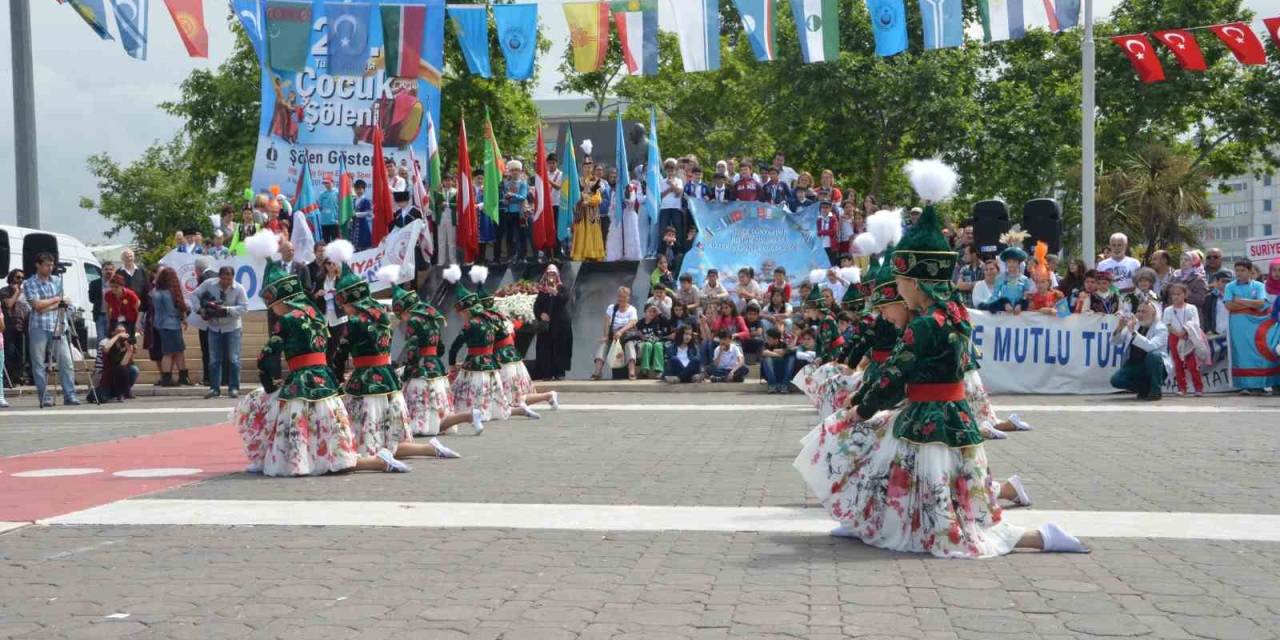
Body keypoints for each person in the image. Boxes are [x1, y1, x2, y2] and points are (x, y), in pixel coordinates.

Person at [796, 174, 1085, 558]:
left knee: (936, 505)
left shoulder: (923, 326)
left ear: (916, 283)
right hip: (951, 416)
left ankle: (1037, 537)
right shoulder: (952, 316)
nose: (898, 290)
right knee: (932, 484)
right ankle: (868, 521)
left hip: (927, 419)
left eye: (900, 282)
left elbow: (896, 376)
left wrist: (861, 408)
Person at [235, 231, 410, 476]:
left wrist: (268, 385)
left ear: (276, 299)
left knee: (288, 426)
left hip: (300, 384)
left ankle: (298, 462)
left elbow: (265, 356)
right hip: (325, 381)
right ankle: (374, 460)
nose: (272, 309)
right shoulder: (316, 315)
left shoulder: (286, 320)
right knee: (329, 434)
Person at [443, 265, 505, 420]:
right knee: (490, 392)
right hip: (490, 362)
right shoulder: (490, 319)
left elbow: (455, 347)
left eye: (462, 314)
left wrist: (451, 364)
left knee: (468, 393)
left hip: (474, 364)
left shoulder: (470, 325)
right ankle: (488, 411)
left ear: (466, 311)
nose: (462, 317)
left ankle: (473, 413)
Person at [22, 254, 80, 406]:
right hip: (38, 327)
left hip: (58, 326)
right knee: (39, 364)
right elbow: (37, 306)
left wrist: (52, 304)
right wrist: (56, 300)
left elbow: (65, 302)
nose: (50, 268)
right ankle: (44, 397)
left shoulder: (57, 281)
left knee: (66, 362)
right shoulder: (29, 283)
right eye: (47, 265)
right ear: (38, 265)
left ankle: (70, 395)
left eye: (51, 265)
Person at [194, 266, 248, 399]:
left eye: (229, 278)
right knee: (214, 360)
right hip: (214, 327)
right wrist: (200, 309)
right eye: (223, 278)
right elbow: (194, 294)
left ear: (233, 277)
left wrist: (226, 310)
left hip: (232, 327)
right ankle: (214, 388)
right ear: (219, 276)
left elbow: (244, 308)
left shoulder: (239, 289)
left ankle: (234, 388)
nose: (226, 281)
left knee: (234, 359)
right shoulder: (209, 284)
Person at [1224, 259, 1275, 394]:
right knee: (1240, 353)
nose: (1239, 273)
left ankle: (1259, 384)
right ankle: (1243, 385)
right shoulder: (1230, 286)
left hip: (1255, 324)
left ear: (1250, 271)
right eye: (1237, 270)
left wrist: (1239, 300)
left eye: (1243, 270)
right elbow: (1229, 305)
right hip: (1238, 324)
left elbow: (1260, 303)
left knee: (1257, 353)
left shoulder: (1258, 285)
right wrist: (1251, 304)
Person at [1110, 300, 1170, 401]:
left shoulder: (1161, 328)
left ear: (1153, 314)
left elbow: (1151, 346)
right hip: (1135, 365)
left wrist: (1133, 332)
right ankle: (1144, 389)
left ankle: (1156, 391)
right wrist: (1119, 328)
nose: (1140, 314)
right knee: (1116, 380)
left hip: (1155, 367)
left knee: (1153, 355)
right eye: (1138, 311)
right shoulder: (1135, 325)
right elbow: (1114, 342)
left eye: (1144, 312)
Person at [150, 266, 191, 388]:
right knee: (175, 352)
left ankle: (169, 377)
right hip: (172, 324)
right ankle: (178, 377)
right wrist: (183, 317)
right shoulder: (171, 293)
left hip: (161, 324)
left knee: (171, 352)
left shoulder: (156, 292)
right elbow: (176, 309)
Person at [1163, 283, 1206, 397]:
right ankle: (1182, 388)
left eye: (1178, 294)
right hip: (1174, 338)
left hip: (1189, 337)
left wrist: (1185, 332)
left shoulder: (1191, 308)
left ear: (1185, 295)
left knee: (1192, 364)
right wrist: (1178, 333)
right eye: (1173, 294)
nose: (1175, 297)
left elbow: (1195, 323)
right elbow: (1167, 324)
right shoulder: (1168, 310)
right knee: (1178, 363)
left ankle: (1198, 388)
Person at [314, 250, 350, 383]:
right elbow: (313, 296)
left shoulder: (341, 279)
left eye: (333, 263)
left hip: (338, 317)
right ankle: (330, 376)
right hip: (325, 317)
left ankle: (336, 376)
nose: (330, 266)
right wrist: (318, 294)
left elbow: (348, 297)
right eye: (328, 263)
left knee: (335, 347)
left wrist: (338, 294)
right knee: (327, 348)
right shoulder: (320, 279)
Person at [533, 265, 573, 381]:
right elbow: (537, 306)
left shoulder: (561, 288)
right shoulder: (542, 290)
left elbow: (565, 300)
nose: (551, 277)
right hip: (547, 326)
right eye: (549, 274)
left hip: (560, 324)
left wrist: (556, 293)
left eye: (553, 274)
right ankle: (546, 373)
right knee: (545, 348)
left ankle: (559, 372)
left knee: (560, 348)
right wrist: (541, 314)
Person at [592, 286, 639, 380]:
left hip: (626, 336)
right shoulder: (611, 308)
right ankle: (597, 372)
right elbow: (606, 322)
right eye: (620, 296)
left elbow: (632, 322)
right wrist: (605, 335)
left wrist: (621, 331)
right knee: (603, 346)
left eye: (624, 297)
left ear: (628, 298)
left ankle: (632, 372)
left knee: (630, 346)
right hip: (613, 336)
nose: (621, 299)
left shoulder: (632, 309)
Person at [606, 164, 643, 261]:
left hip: (629, 215)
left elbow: (632, 202)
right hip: (618, 216)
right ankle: (616, 256)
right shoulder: (615, 189)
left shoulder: (629, 187)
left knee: (630, 236)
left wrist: (624, 199)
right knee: (616, 237)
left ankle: (631, 256)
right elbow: (612, 204)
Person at [571, 159, 606, 262]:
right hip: (581, 211)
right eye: (585, 167)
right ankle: (581, 254)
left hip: (592, 212)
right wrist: (580, 199)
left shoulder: (595, 181)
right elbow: (574, 195)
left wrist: (589, 201)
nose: (587, 169)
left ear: (592, 168)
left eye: (589, 167)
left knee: (592, 231)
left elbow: (598, 198)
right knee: (581, 231)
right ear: (582, 168)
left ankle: (593, 254)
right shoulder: (578, 181)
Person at [94, 323, 137, 402]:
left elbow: (123, 364)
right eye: (119, 331)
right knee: (102, 398)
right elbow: (106, 348)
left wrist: (129, 351)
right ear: (113, 332)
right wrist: (117, 336)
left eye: (123, 332)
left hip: (118, 374)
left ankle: (123, 392)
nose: (122, 334)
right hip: (105, 374)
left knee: (133, 369)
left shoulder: (125, 343)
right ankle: (96, 393)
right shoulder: (106, 341)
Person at [1, 269, 29, 388]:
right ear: (12, 278)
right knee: (10, 353)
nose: (20, 280)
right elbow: (8, 305)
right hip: (8, 327)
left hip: (21, 327)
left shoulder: (25, 292)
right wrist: (16, 293)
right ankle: (8, 379)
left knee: (20, 354)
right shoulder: (4, 291)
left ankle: (18, 376)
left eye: (22, 278)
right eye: (18, 277)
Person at [500, 160, 530, 262]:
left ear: (520, 171)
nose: (514, 172)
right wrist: (505, 199)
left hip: (520, 212)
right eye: (512, 170)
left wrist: (512, 195)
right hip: (508, 212)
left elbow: (523, 197)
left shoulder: (523, 183)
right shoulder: (506, 184)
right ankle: (511, 256)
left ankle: (522, 256)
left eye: (517, 170)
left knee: (521, 235)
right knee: (509, 235)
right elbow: (504, 197)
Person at [987, 246, 1032, 313]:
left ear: (1018, 263)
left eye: (1014, 262)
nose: (1011, 264)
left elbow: (1027, 297)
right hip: (1003, 314)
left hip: (1020, 315)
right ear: (1006, 263)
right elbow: (994, 297)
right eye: (1009, 262)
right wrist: (1003, 304)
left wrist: (1020, 304)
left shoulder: (1025, 280)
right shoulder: (1000, 278)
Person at [633, 304, 669, 378]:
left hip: (658, 341)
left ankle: (659, 371)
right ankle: (644, 371)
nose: (652, 313)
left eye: (654, 312)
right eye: (649, 311)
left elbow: (667, 323)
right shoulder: (640, 322)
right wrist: (641, 336)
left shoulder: (659, 320)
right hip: (646, 342)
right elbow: (637, 332)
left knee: (657, 345)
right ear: (645, 312)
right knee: (647, 344)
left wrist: (659, 312)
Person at [759, 327, 794, 393]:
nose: (767, 340)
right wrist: (778, 354)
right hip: (770, 375)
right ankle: (772, 385)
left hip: (782, 371)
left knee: (791, 358)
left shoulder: (783, 344)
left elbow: (792, 351)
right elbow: (764, 352)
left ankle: (785, 385)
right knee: (767, 359)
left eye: (769, 338)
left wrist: (784, 351)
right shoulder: (766, 344)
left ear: (776, 339)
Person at [90, 261, 115, 342]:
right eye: (106, 269)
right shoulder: (94, 283)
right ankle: (100, 355)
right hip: (100, 315)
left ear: (114, 271)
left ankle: (111, 355)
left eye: (111, 269)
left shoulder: (118, 284)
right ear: (102, 270)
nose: (109, 271)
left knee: (112, 338)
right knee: (101, 339)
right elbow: (91, 298)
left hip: (114, 316)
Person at [353, 179, 374, 250]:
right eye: (357, 189)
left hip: (362, 225)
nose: (359, 191)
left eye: (361, 189)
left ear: (364, 189)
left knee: (363, 246)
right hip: (353, 225)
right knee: (353, 246)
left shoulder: (366, 200)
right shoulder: (353, 200)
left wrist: (356, 214)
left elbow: (369, 213)